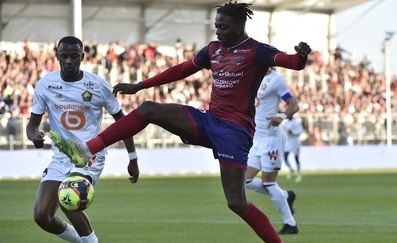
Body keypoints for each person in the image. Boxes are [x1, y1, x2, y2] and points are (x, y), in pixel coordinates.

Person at [50, 2, 311, 242]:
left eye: (223, 26)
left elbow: (292, 63)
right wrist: (141, 85)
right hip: (209, 121)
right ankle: (86, 149)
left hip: (235, 133)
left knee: (236, 202)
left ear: (239, 26)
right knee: (149, 109)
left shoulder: (257, 51)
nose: (218, 30)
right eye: (216, 25)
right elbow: (182, 70)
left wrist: (300, 56)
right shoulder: (213, 49)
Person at [26, 36, 139, 243]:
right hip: (61, 156)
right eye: (64, 56)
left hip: (90, 154)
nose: (69, 60)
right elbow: (32, 124)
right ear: (57, 57)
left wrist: (132, 157)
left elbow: (123, 123)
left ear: (82, 57)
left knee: (69, 194)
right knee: (42, 216)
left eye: (74, 56)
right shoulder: (46, 84)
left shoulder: (97, 85)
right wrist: (34, 135)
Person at [246, 68, 300, 234]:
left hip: (272, 139)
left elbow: (293, 104)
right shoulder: (251, 76)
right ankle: (284, 195)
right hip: (257, 138)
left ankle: (290, 224)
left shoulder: (276, 80)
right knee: (244, 180)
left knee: (269, 182)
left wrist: (282, 117)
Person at [280, 114, 304, 182]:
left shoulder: (297, 121)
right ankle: (291, 169)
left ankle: (299, 174)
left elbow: (300, 131)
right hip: (288, 142)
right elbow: (283, 132)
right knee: (285, 157)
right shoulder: (286, 122)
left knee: (296, 158)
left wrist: (293, 132)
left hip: (295, 142)